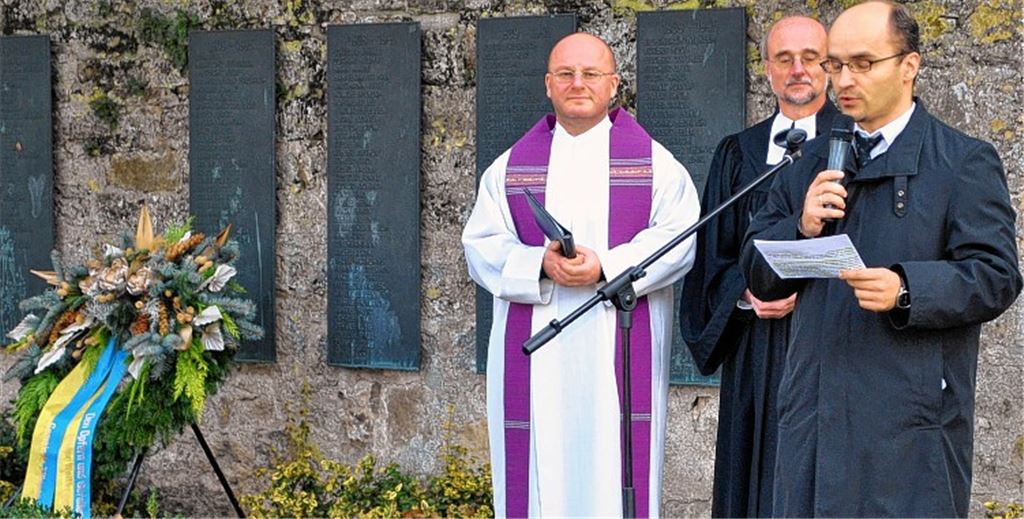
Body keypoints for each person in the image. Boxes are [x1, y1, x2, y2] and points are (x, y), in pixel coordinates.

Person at [739, 2, 1021, 516]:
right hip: (814, 420)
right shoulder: (808, 162)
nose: (844, 80)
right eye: (836, 64)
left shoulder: (962, 161)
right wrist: (800, 227)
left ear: (908, 66)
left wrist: (906, 288)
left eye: (863, 64)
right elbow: (757, 271)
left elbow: (996, 275)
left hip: (907, 429)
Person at [462, 32, 700, 518]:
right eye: (565, 74)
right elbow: (481, 247)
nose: (578, 83)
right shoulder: (509, 168)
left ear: (614, 85)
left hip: (617, 345)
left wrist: (607, 267)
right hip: (537, 352)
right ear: (548, 85)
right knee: (538, 473)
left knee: (614, 473)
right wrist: (540, 264)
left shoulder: (656, 165)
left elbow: (680, 239)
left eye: (591, 74)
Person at [680, 15, 836, 518]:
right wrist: (747, 296)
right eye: (784, 59)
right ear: (766, 69)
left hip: (827, 348)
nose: (798, 70)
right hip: (754, 352)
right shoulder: (738, 154)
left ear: (829, 67)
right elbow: (714, 259)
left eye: (811, 58)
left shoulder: (855, 145)